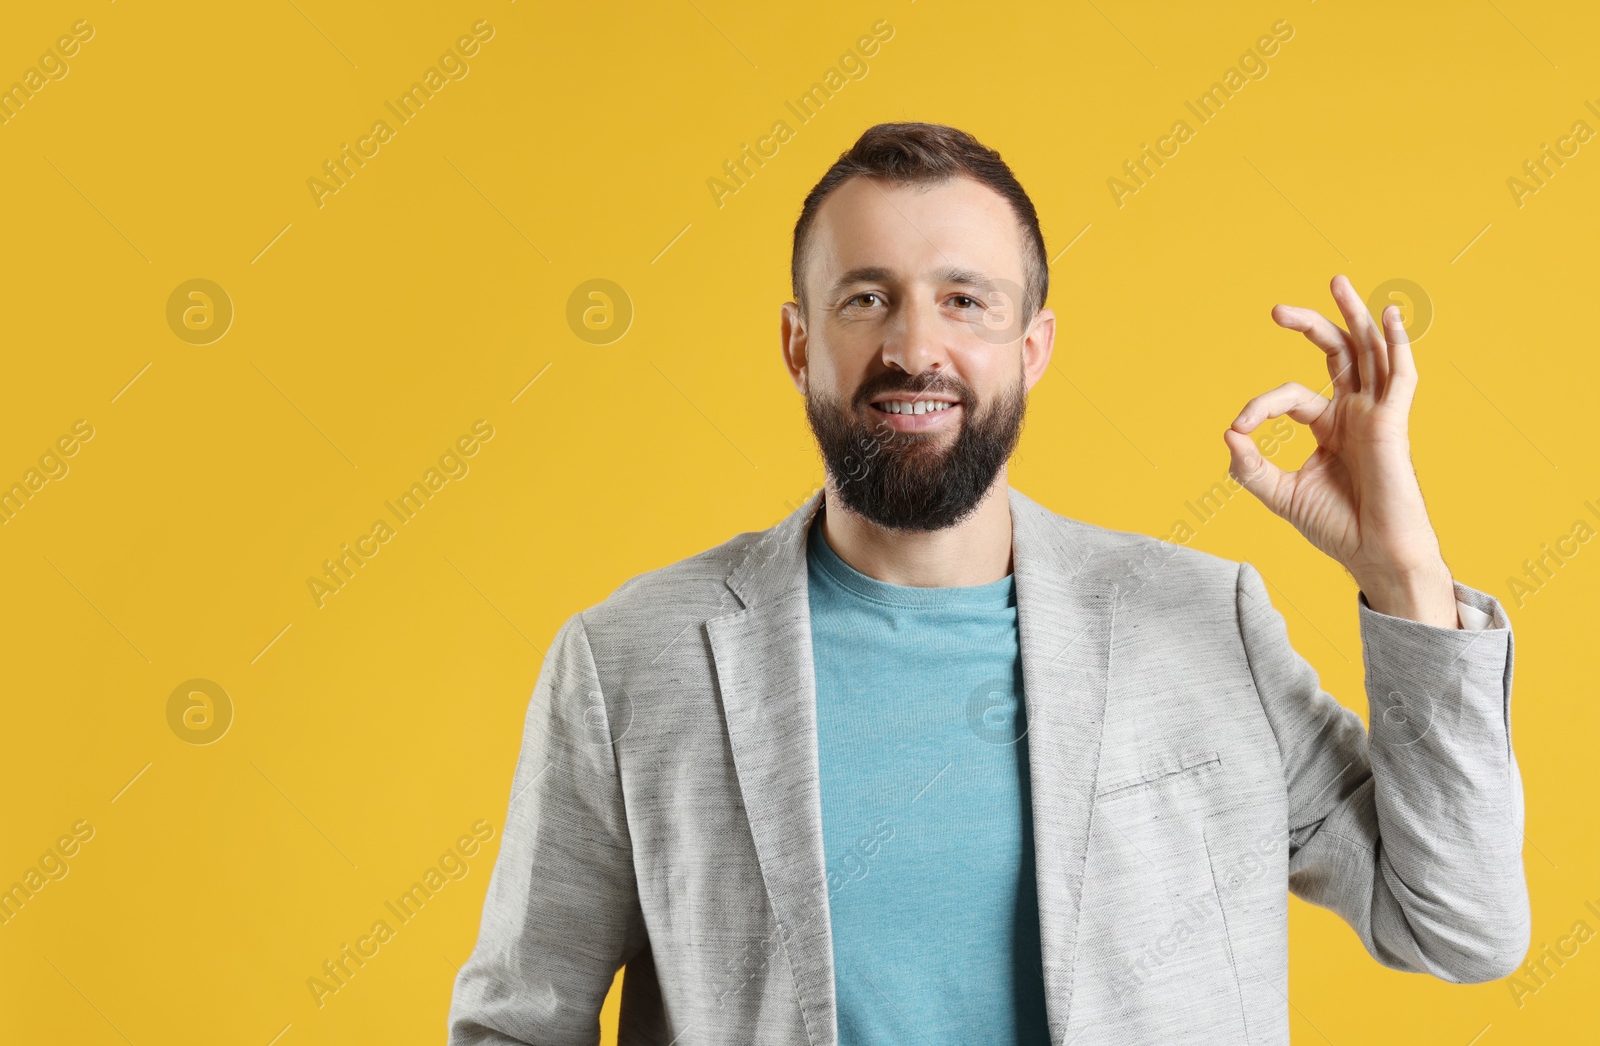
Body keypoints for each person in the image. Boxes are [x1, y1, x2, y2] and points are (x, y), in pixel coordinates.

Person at [446, 122, 1528, 1046]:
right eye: (867, 297)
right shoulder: (632, 657)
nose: (917, 347)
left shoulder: (1204, 623)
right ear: (795, 341)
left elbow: (1460, 923)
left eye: (965, 300)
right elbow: (516, 1022)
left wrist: (1401, 572)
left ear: (1032, 345)